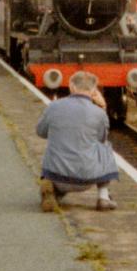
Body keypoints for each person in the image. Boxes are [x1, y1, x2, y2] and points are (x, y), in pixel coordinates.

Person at [36, 71, 119, 212]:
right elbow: (101, 140)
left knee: (55, 146)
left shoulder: (54, 106)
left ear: (71, 87)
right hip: (87, 180)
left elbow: (40, 132)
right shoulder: (98, 113)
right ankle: (103, 197)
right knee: (104, 147)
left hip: (57, 176)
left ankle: (54, 192)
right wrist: (103, 108)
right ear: (94, 90)